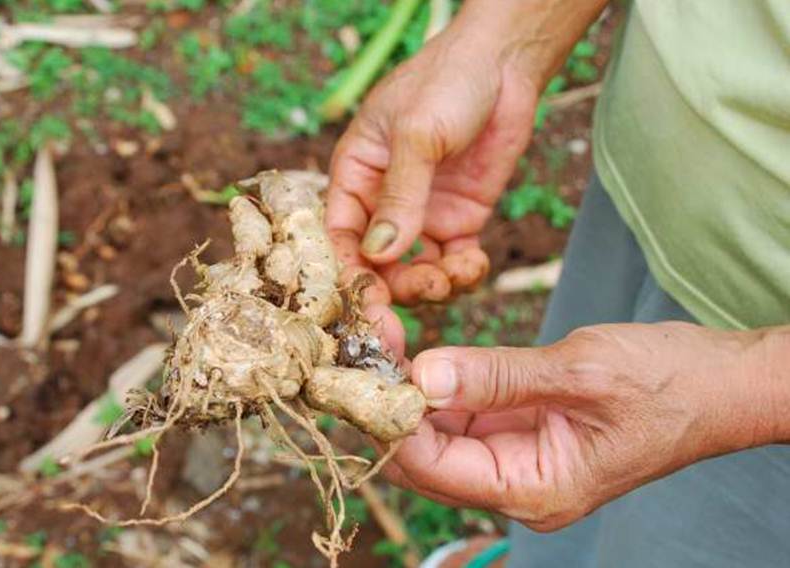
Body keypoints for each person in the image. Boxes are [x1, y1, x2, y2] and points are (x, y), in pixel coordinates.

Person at [324, 0, 790, 566]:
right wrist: (507, 40)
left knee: (688, 535)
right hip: (650, 178)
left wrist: (751, 391)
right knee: (574, 418)